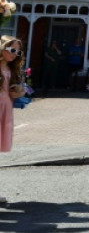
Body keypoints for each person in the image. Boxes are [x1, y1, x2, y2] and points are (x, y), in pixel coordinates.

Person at [1, 36, 27, 206]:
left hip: (5, 108)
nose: (14, 54)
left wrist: (18, 91)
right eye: (11, 50)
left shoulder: (11, 67)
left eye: (17, 51)